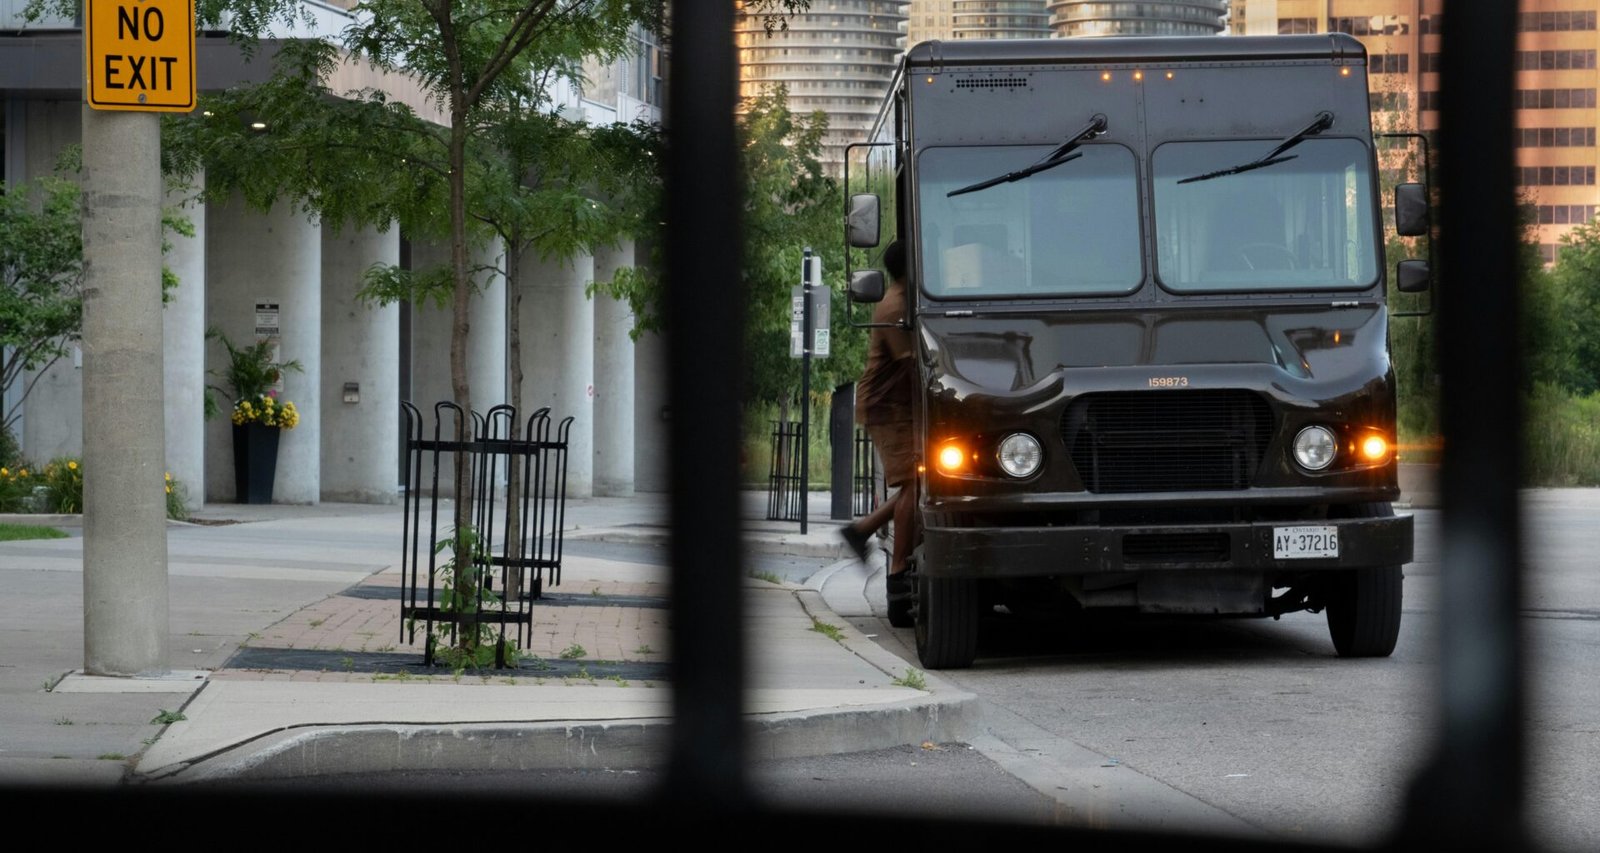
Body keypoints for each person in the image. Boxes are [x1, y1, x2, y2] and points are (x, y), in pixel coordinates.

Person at [841, 240, 917, 609]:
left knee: (922, 478)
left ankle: (861, 531)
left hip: (894, 405)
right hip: (886, 407)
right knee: (915, 483)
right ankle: (898, 574)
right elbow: (911, 360)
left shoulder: (903, 300)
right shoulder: (894, 307)